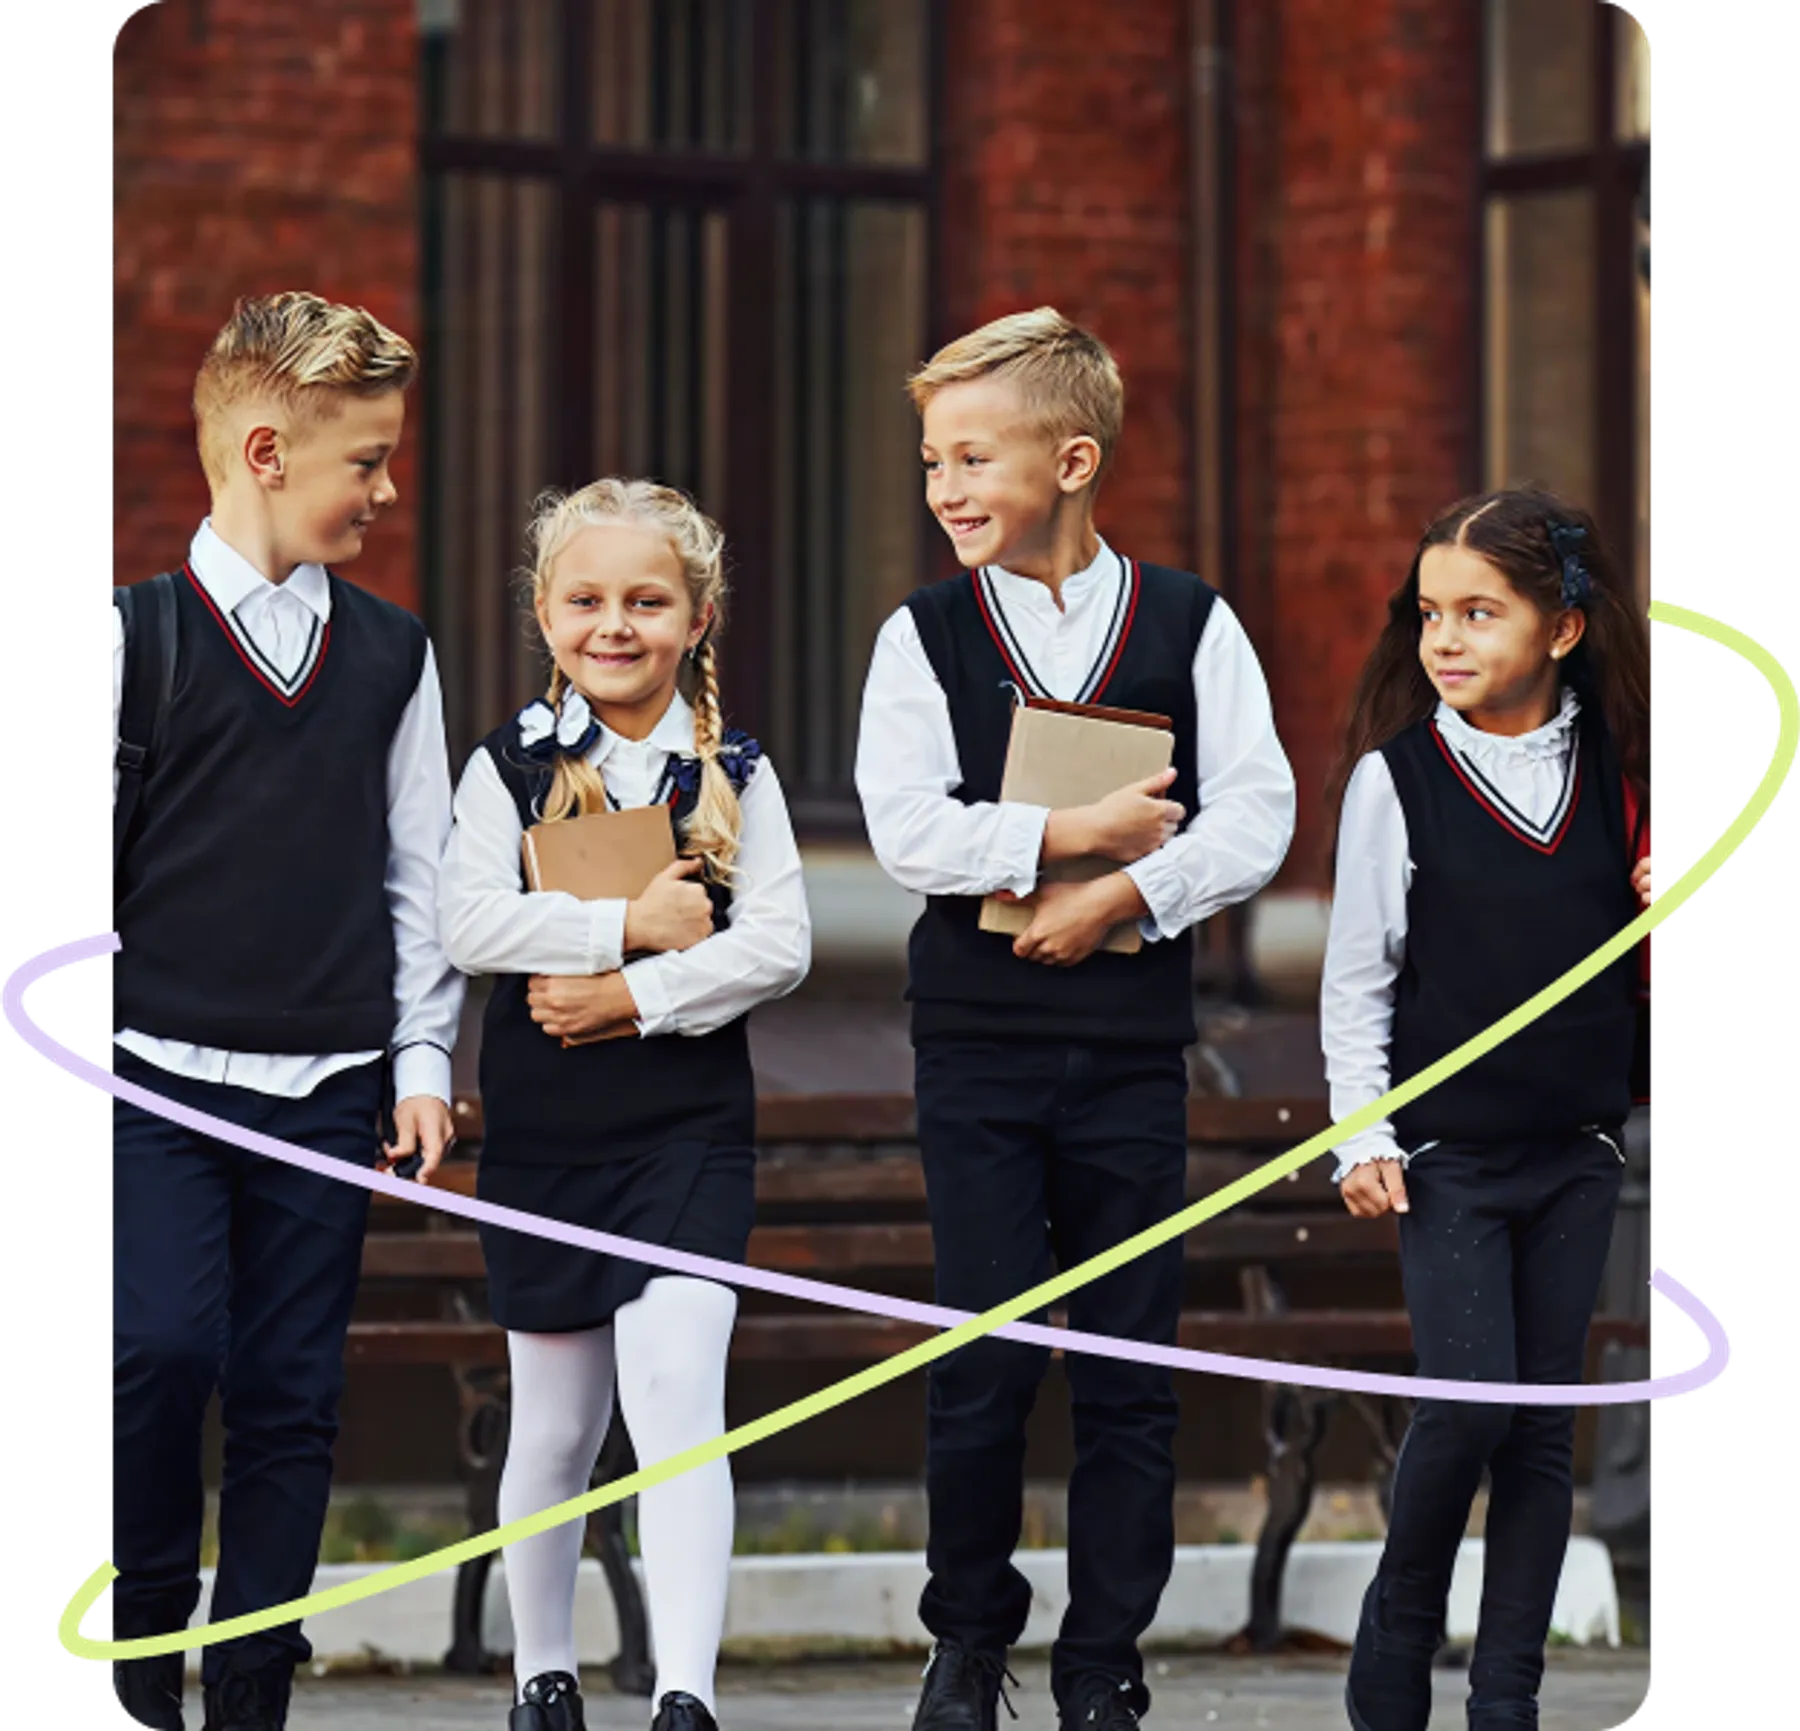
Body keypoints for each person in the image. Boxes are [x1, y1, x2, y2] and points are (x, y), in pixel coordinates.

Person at [855, 307, 1295, 1730]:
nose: (948, 487)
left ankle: (1105, 1656)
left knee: (1130, 1364)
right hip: (976, 1048)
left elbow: (1264, 814)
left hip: (1126, 1052)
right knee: (980, 1352)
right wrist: (1067, 832)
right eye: (934, 461)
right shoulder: (921, 634)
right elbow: (909, 830)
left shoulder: (1189, 622)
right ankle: (968, 1641)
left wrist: (1123, 896)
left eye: (974, 456)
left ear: (1077, 459)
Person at [109, 292, 464, 1731]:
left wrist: (423, 1058)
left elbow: (420, 874)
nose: (385, 490)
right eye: (366, 462)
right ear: (265, 449)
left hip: (327, 1089)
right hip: (154, 1085)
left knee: (286, 1388)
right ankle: (137, 1653)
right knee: (157, 1347)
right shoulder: (136, 641)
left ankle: (255, 1680)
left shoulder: (393, 656)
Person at [437, 479, 811, 1731]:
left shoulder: (734, 775)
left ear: (698, 618)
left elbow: (783, 946)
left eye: (647, 601)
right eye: (587, 599)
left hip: (687, 1134)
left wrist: (634, 1000)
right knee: (551, 1429)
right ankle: (544, 1674)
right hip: (547, 1139)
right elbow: (469, 918)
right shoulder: (506, 767)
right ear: (544, 615)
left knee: (676, 1408)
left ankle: (684, 1696)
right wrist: (625, 923)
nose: (616, 624)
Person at [1320, 487, 1655, 1731]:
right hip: (1448, 1154)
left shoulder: (1625, 771)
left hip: (1576, 1148)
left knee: (1541, 1437)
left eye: (1479, 613)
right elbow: (1357, 976)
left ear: (1562, 628)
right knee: (1471, 1402)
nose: (1445, 641)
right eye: (1428, 615)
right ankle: (1400, 1621)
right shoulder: (1394, 784)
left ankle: (1505, 1696)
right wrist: (1365, 1131)